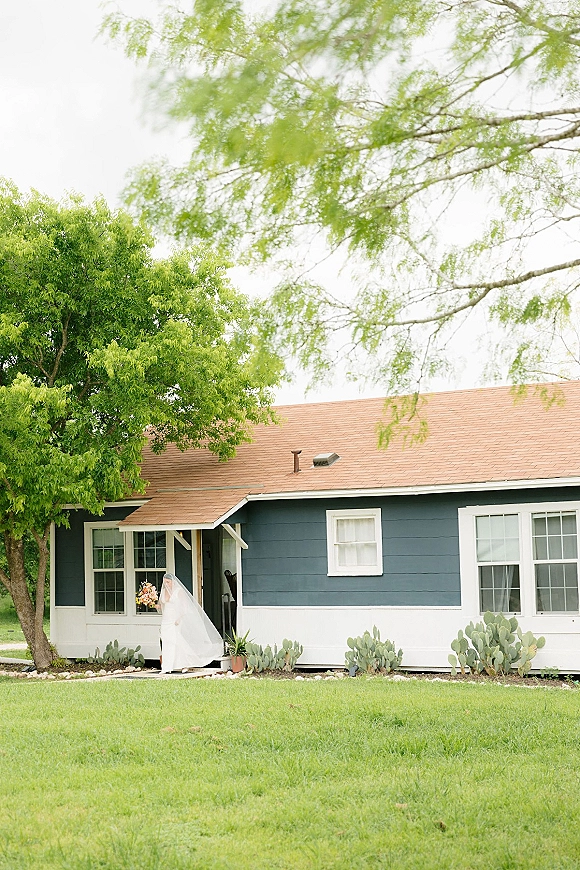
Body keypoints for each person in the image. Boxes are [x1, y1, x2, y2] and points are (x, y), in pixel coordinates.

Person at [157, 572, 223, 673]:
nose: (166, 584)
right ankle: (167, 666)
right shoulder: (163, 591)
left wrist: (179, 618)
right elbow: (161, 607)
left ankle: (185, 663)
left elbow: (184, 607)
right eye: (164, 582)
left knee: (176, 641)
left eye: (168, 582)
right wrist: (151, 602)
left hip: (175, 620)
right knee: (167, 642)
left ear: (172, 582)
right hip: (166, 620)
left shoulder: (178, 591)